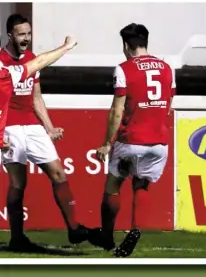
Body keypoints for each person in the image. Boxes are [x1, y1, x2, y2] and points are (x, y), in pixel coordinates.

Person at [0, 15, 92, 253]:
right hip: (9, 127)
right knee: (18, 182)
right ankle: (17, 238)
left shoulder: (31, 60)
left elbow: (36, 97)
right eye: (21, 34)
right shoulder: (2, 63)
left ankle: (74, 228)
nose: (26, 38)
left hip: (32, 126)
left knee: (58, 172)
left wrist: (49, 127)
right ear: (10, 35)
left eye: (28, 33)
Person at [92, 23, 175, 258]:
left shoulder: (123, 69)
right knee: (142, 184)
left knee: (113, 186)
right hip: (158, 143)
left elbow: (117, 110)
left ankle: (107, 236)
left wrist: (107, 142)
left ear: (126, 46)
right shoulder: (168, 68)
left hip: (131, 141)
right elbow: (169, 105)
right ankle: (135, 229)